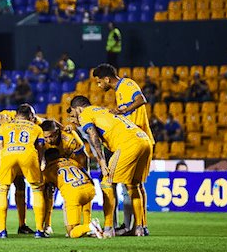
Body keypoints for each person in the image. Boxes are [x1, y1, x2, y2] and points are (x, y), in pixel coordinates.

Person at [68, 95, 152, 238]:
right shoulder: (103, 110)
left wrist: (101, 161)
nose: (73, 115)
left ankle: (108, 229)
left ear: (78, 108)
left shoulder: (85, 114)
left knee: (107, 183)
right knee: (134, 185)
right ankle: (139, 228)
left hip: (128, 144)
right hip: (144, 140)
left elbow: (93, 135)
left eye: (73, 111)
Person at [0, 104, 47, 239]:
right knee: (37, 189)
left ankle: (2, 231)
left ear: (17, 115)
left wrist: (1, 166)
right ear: (30, 116)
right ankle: (39, 231)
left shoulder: (4, 127)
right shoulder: (36, 128)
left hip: (8, 155)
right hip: (28, 154)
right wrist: (40, 164)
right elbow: (40, 147)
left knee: (3, 190)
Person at [43, 148, 102, 238]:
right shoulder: (71, 161)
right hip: (90, 188)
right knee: (85, 206)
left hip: (74, 194)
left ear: (46, 159)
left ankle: (90, 227)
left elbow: (45, 189)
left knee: (72, 233)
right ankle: (90, 227)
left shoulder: (48, 170)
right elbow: (85, 172)